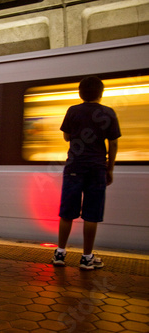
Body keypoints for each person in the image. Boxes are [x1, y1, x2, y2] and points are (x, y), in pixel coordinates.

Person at [52, 76, 121, 270]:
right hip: (97, 168)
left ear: (80, 93)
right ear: (101, 93)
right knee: (91, 215)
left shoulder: (73, 111)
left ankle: (60, 254)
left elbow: (66, 136)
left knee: (67, 213)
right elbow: (113, 143)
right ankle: (86, 258)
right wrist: (110, 168)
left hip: (74, 167)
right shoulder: (108, 113)